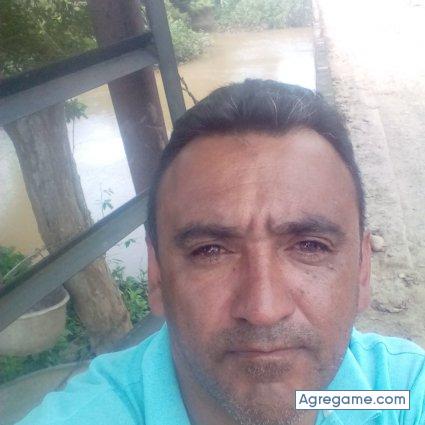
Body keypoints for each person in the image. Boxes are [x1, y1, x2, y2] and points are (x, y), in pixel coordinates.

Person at [18, 79, 424, 425]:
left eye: (310, 246)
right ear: (156, 276)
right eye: (210, 250)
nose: (263, 309)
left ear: (362, 270)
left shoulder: (398, 393)